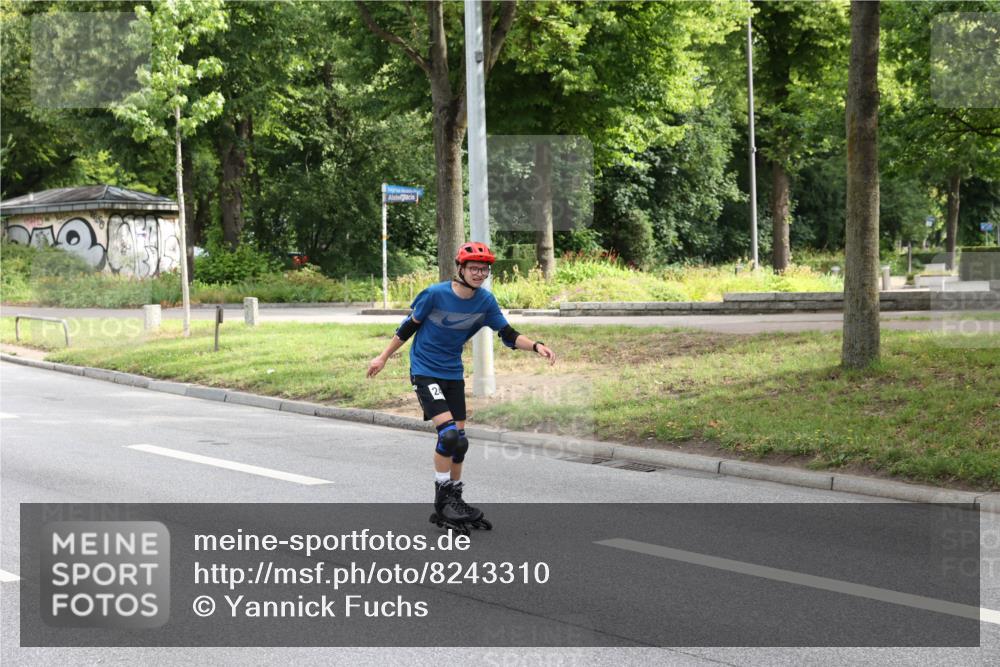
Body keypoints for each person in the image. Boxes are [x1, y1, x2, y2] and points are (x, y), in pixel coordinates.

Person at [367, 241, 556, 532]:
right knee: (449, 435)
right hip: (425, 371)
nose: (479, 273)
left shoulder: (485, 302)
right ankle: (442, 501)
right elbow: (407, 327)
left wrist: (536, 346)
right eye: (474, 268)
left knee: (461, 442)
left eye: (484, 269)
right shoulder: (435, 294)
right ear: (461, 268)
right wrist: (382, 357)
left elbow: (507, 333)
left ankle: (455, 497)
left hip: (452, 373)